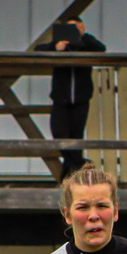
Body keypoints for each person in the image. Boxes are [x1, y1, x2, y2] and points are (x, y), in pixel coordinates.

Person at [39, 16, 104, 179]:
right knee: (59, 135)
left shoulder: (86, 44)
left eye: (76, 27)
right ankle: (80, 164)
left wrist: (83, 36)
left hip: (81, 99)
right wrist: (56, 47)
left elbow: (101, 49)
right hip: (61, 99)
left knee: (76, 137)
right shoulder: (58, 45)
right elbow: (39, 50)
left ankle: (68, 177)